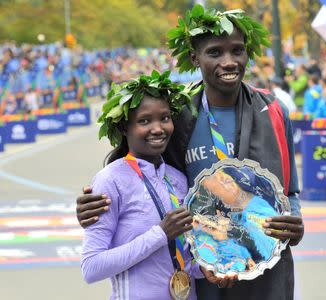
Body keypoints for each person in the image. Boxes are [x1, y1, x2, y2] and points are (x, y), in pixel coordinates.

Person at [76, 5, 304, 300]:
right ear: (195, 57)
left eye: (237, 50)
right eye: (215, 53)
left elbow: (290, 192)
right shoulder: (179, 114)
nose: (229, 62)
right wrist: (94, 205)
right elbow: (144, 176)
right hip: (202, 270)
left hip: (264, 266)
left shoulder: (272, 110)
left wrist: (295, 224)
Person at [80, 71, 233, 300]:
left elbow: (177, 257)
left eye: (164, 118)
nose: (158, 128)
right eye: (144, 121)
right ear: (124, 128)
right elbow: (92, 267)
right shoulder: (110, 180)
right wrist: (160, 233)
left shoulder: (178, 179)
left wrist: (203, 269)